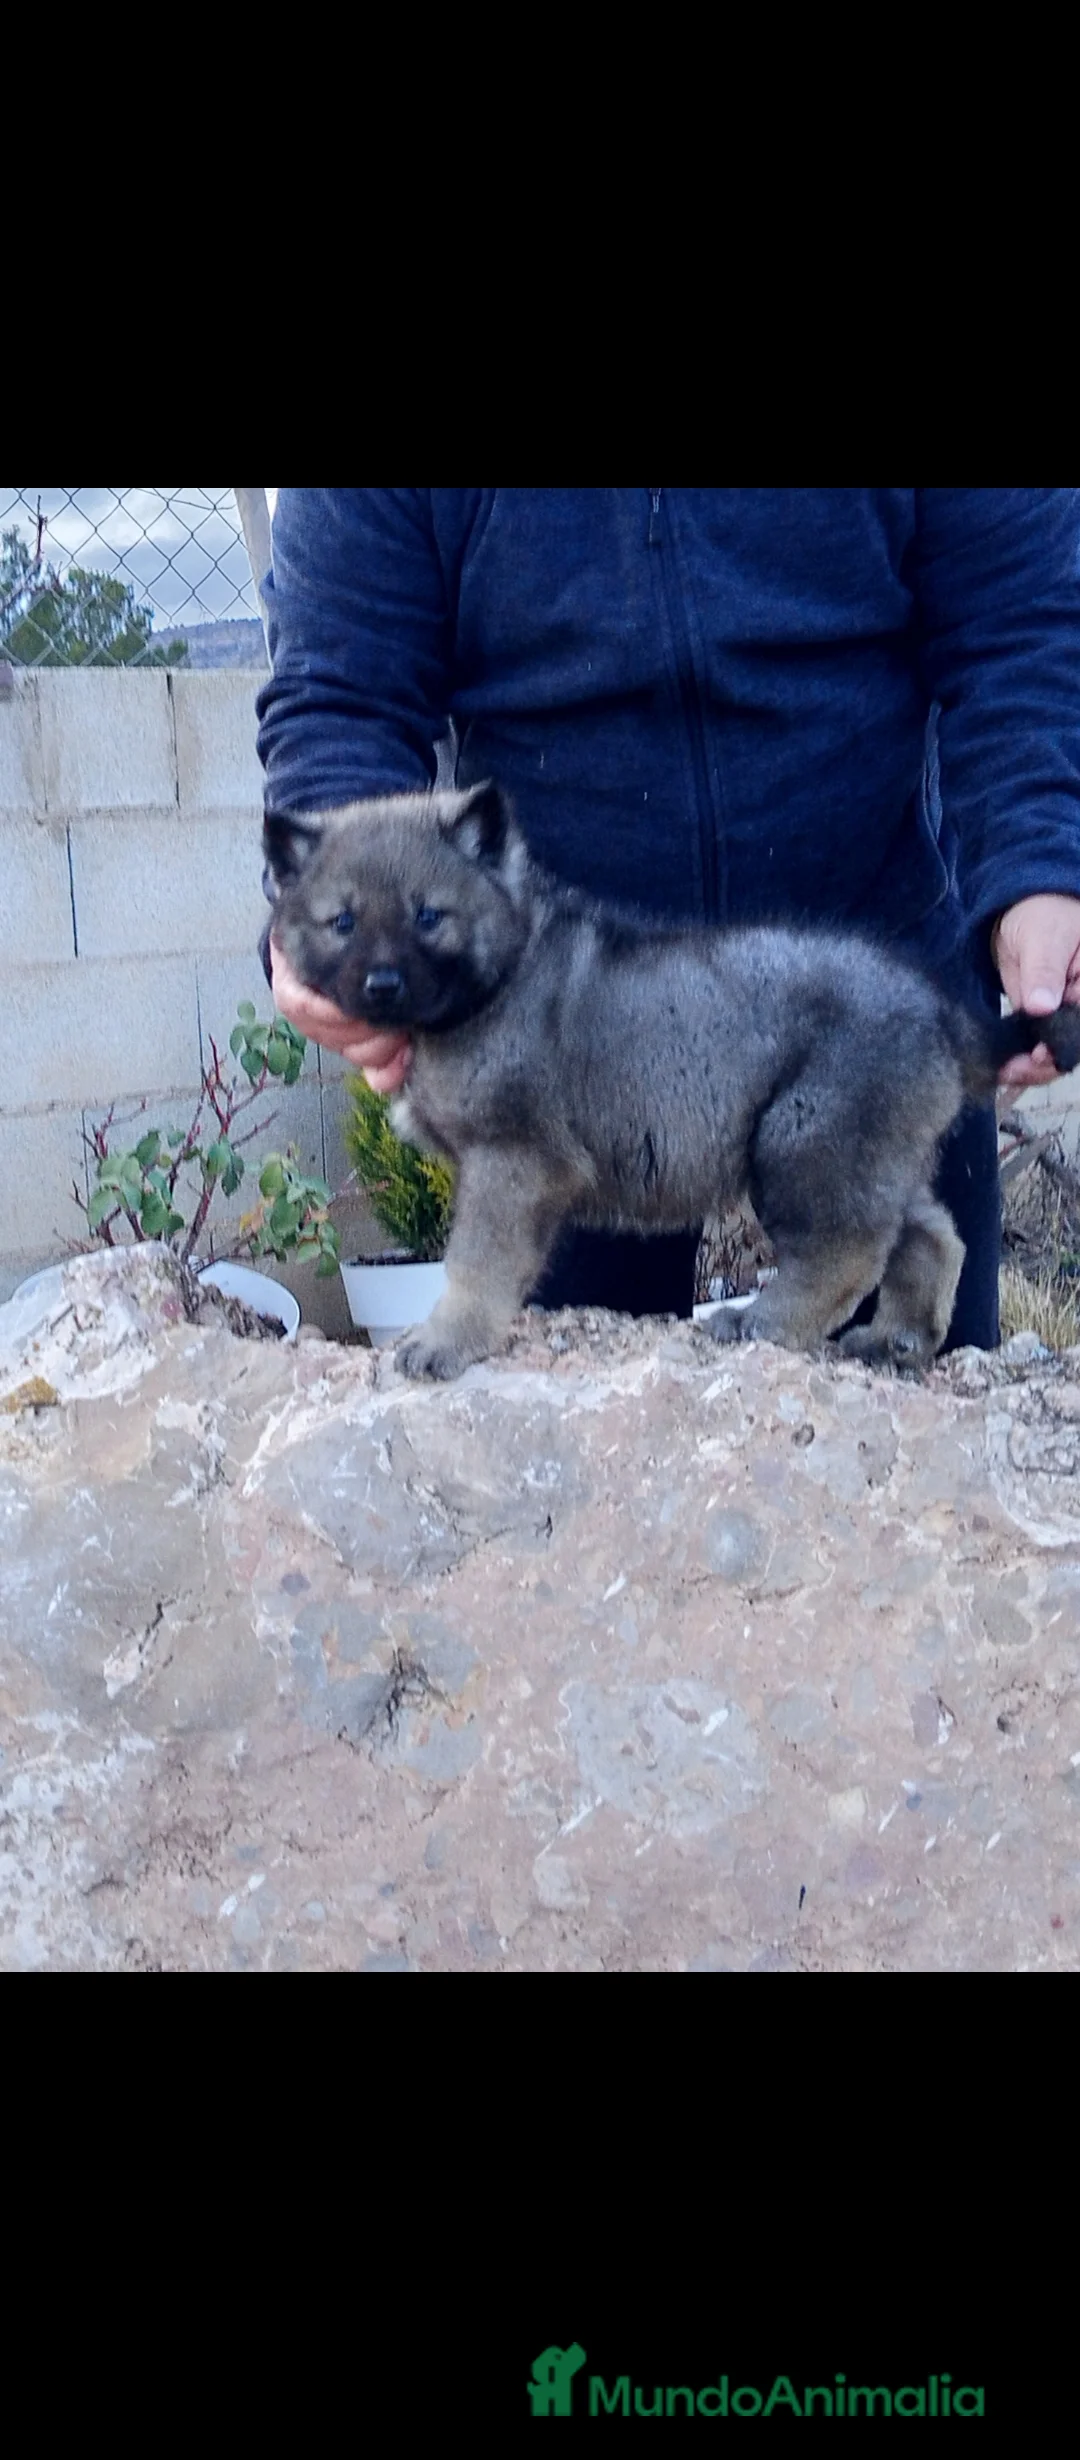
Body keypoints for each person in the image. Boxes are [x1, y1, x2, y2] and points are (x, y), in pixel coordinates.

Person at [256, 489, 1080, 1350]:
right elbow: (341, 688)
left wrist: (1042, 867)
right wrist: (335, 912)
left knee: (914, 1396)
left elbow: (1021, 619)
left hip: (871, 976)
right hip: (555, 1017)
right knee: (565, 1420)